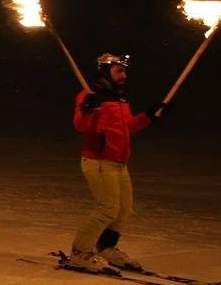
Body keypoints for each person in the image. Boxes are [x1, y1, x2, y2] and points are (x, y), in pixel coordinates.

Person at [64, 53, 165, 273]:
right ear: (105, 72)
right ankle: (79, 253)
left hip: (119, 162)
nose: (124, 75)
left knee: (124, 211)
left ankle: (106, 248)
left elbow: (127, 127)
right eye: (119, 70)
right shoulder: (89, 95)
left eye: (125, 71)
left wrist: (148, 116)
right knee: (107, 209)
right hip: (98, 160)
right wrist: (86, 109)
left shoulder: (120, 100)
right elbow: (80, 126)